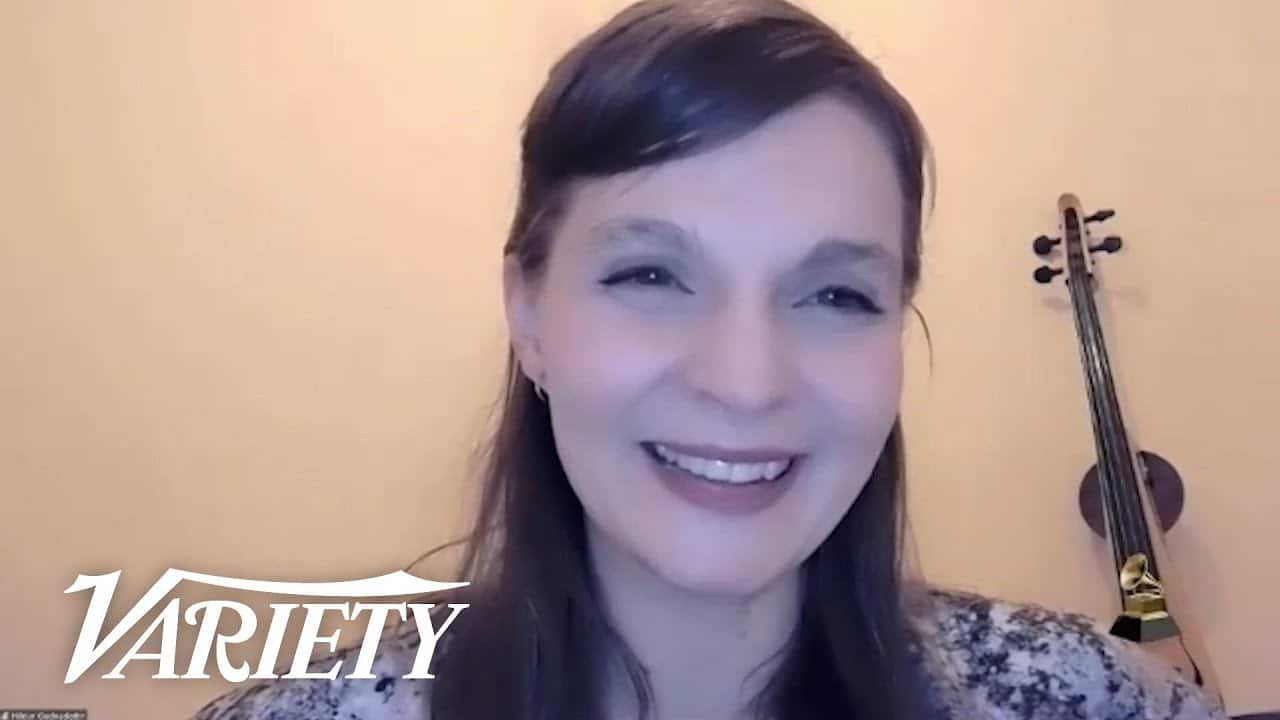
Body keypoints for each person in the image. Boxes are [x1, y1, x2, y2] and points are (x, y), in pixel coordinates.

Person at [190, 1, 1227, 718]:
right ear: (528, 313)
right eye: (651, 276)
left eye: (833, 295)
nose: (745, 381)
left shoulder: (1082, 699)